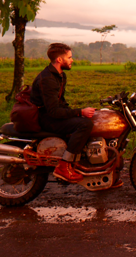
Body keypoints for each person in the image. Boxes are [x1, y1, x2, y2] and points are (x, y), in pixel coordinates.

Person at [30, 43, 96, 183]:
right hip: (45, 118)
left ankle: (80, 161)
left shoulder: (59, 75)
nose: (72, 60)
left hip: (51, 115)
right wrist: (80, 112)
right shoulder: (47, 79)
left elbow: (62, 103)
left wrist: (79, 112)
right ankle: (64, 166)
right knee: (84, 125)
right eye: (69, 57)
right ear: (60, 60)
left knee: (91, 119)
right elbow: (53, 111)